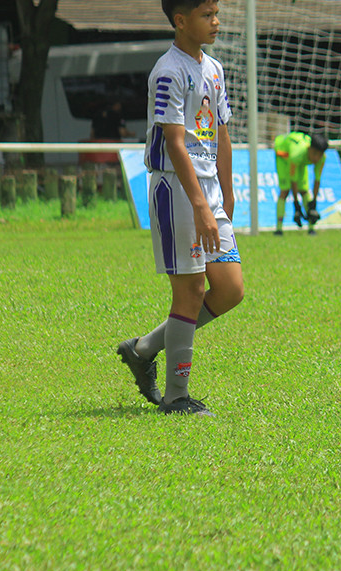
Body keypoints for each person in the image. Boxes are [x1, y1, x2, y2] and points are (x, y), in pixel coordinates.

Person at [116, 0, 243, 417]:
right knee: (190, 291)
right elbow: (174, 141)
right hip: (176, 188)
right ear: (181, 20)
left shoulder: (215, 69)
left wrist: (223, 192)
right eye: (207, 15)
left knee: (229, 289)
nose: (216, 21)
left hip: (208, 193)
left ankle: (144, 349)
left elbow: (221, 133)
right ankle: (176, 397)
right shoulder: (167, 71)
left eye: (216, 13)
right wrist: (200, 204)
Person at [273, 130, 328, 235]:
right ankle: (279, 229)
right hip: (283, 155)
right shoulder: (296, 155)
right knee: (285, 190)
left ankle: (311, 228)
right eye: (315, 154)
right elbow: (294, 181)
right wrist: (296, 205)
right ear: (309, 149)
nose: (317, 158)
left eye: (320, 155)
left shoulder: (322, 158)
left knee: (304, 191)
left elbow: (317, 180)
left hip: (301, 162)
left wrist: (314, 203)